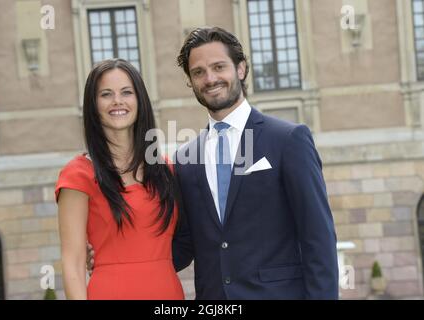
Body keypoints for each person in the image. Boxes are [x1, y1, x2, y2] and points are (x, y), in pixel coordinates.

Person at [171, 27, 339, 299]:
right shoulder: (184, 160)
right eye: (198, 72)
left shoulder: (288, 140)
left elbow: (317, 238)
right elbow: (185, 243)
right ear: (191, 81)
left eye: (218, 67)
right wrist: (114, 257)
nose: (210, 78)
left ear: (241, 68)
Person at [55, 59, 184, 300]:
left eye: (127, 92)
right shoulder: (78, 175)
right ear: (93, 105)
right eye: (106, 94)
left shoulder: (165, 169)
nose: (117, 101)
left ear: (140, 101)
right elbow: (72, 263)